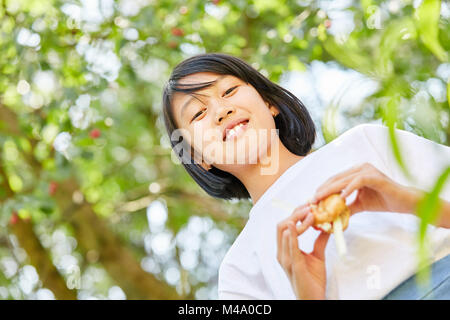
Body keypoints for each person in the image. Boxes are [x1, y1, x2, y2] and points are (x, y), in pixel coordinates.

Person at [161, 53, 450, 299]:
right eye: (198, 114)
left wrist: (406, 201)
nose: (221, 111)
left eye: (229, 91)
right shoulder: (238, 271)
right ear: (198, 158)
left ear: (269, 103)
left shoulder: (366, 143)